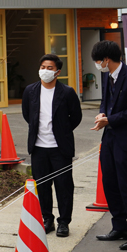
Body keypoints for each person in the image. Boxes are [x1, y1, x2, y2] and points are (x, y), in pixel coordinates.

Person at [90, 40, 127, 250]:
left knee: (126, 185)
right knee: (110, 183)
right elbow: (106, 102)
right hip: (110, 136)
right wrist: (102, 114)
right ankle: (119, 226)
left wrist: (110, 120)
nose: (97, 64)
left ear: (106, 59)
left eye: (98, 60)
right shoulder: (108, 76)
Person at [21, 53, 82, 237]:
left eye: (50, 68)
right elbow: (27, 114)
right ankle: (47, 219)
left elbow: (76, 117)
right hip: (38, 148)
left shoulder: (67, 92)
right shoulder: (30, 91)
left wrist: (62, 131)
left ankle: (64, 222)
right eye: (43, 67)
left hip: (60, 148)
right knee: (43, 185)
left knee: (64, 186)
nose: (45, 71)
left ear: (58, 72)